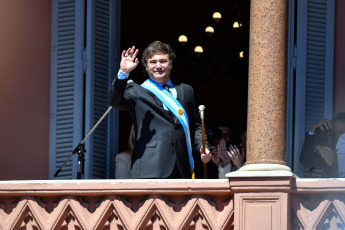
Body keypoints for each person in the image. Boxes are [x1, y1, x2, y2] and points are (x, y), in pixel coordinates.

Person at [109, 41, 210, 179]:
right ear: (146, 66)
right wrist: (124, 73)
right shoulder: (137, 91)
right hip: (149, 168)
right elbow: (115, 101)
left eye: (163, 61)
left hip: (182, 168)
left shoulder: (186, 90)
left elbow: (196, 125)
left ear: (171, 64)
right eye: (153, 62)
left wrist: (203, 146)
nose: (158, 66)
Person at [300, 112, 345, 177]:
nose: (336, 135)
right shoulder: (328, 146)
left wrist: (334, 163)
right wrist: (313, 130)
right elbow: (304, 159)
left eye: (341, 132)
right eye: (335, 132)